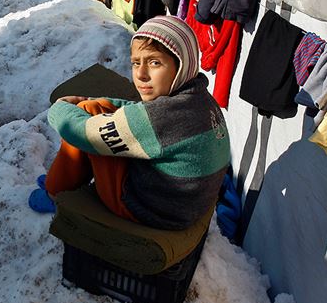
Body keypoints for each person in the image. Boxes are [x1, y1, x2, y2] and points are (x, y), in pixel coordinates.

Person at [28, 17, 230, 231]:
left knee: (87, 116)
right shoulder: (198, 99)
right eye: (136, 63)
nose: (141, 74)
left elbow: (83, 134)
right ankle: (65, 175)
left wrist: (58, 109)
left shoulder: (163, 118)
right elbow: (141, 113)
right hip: (183, 205)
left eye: (154, 62)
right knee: (96, 108)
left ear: (181, 65)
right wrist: (101, 103)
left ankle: (54, 191)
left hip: (149, 209)